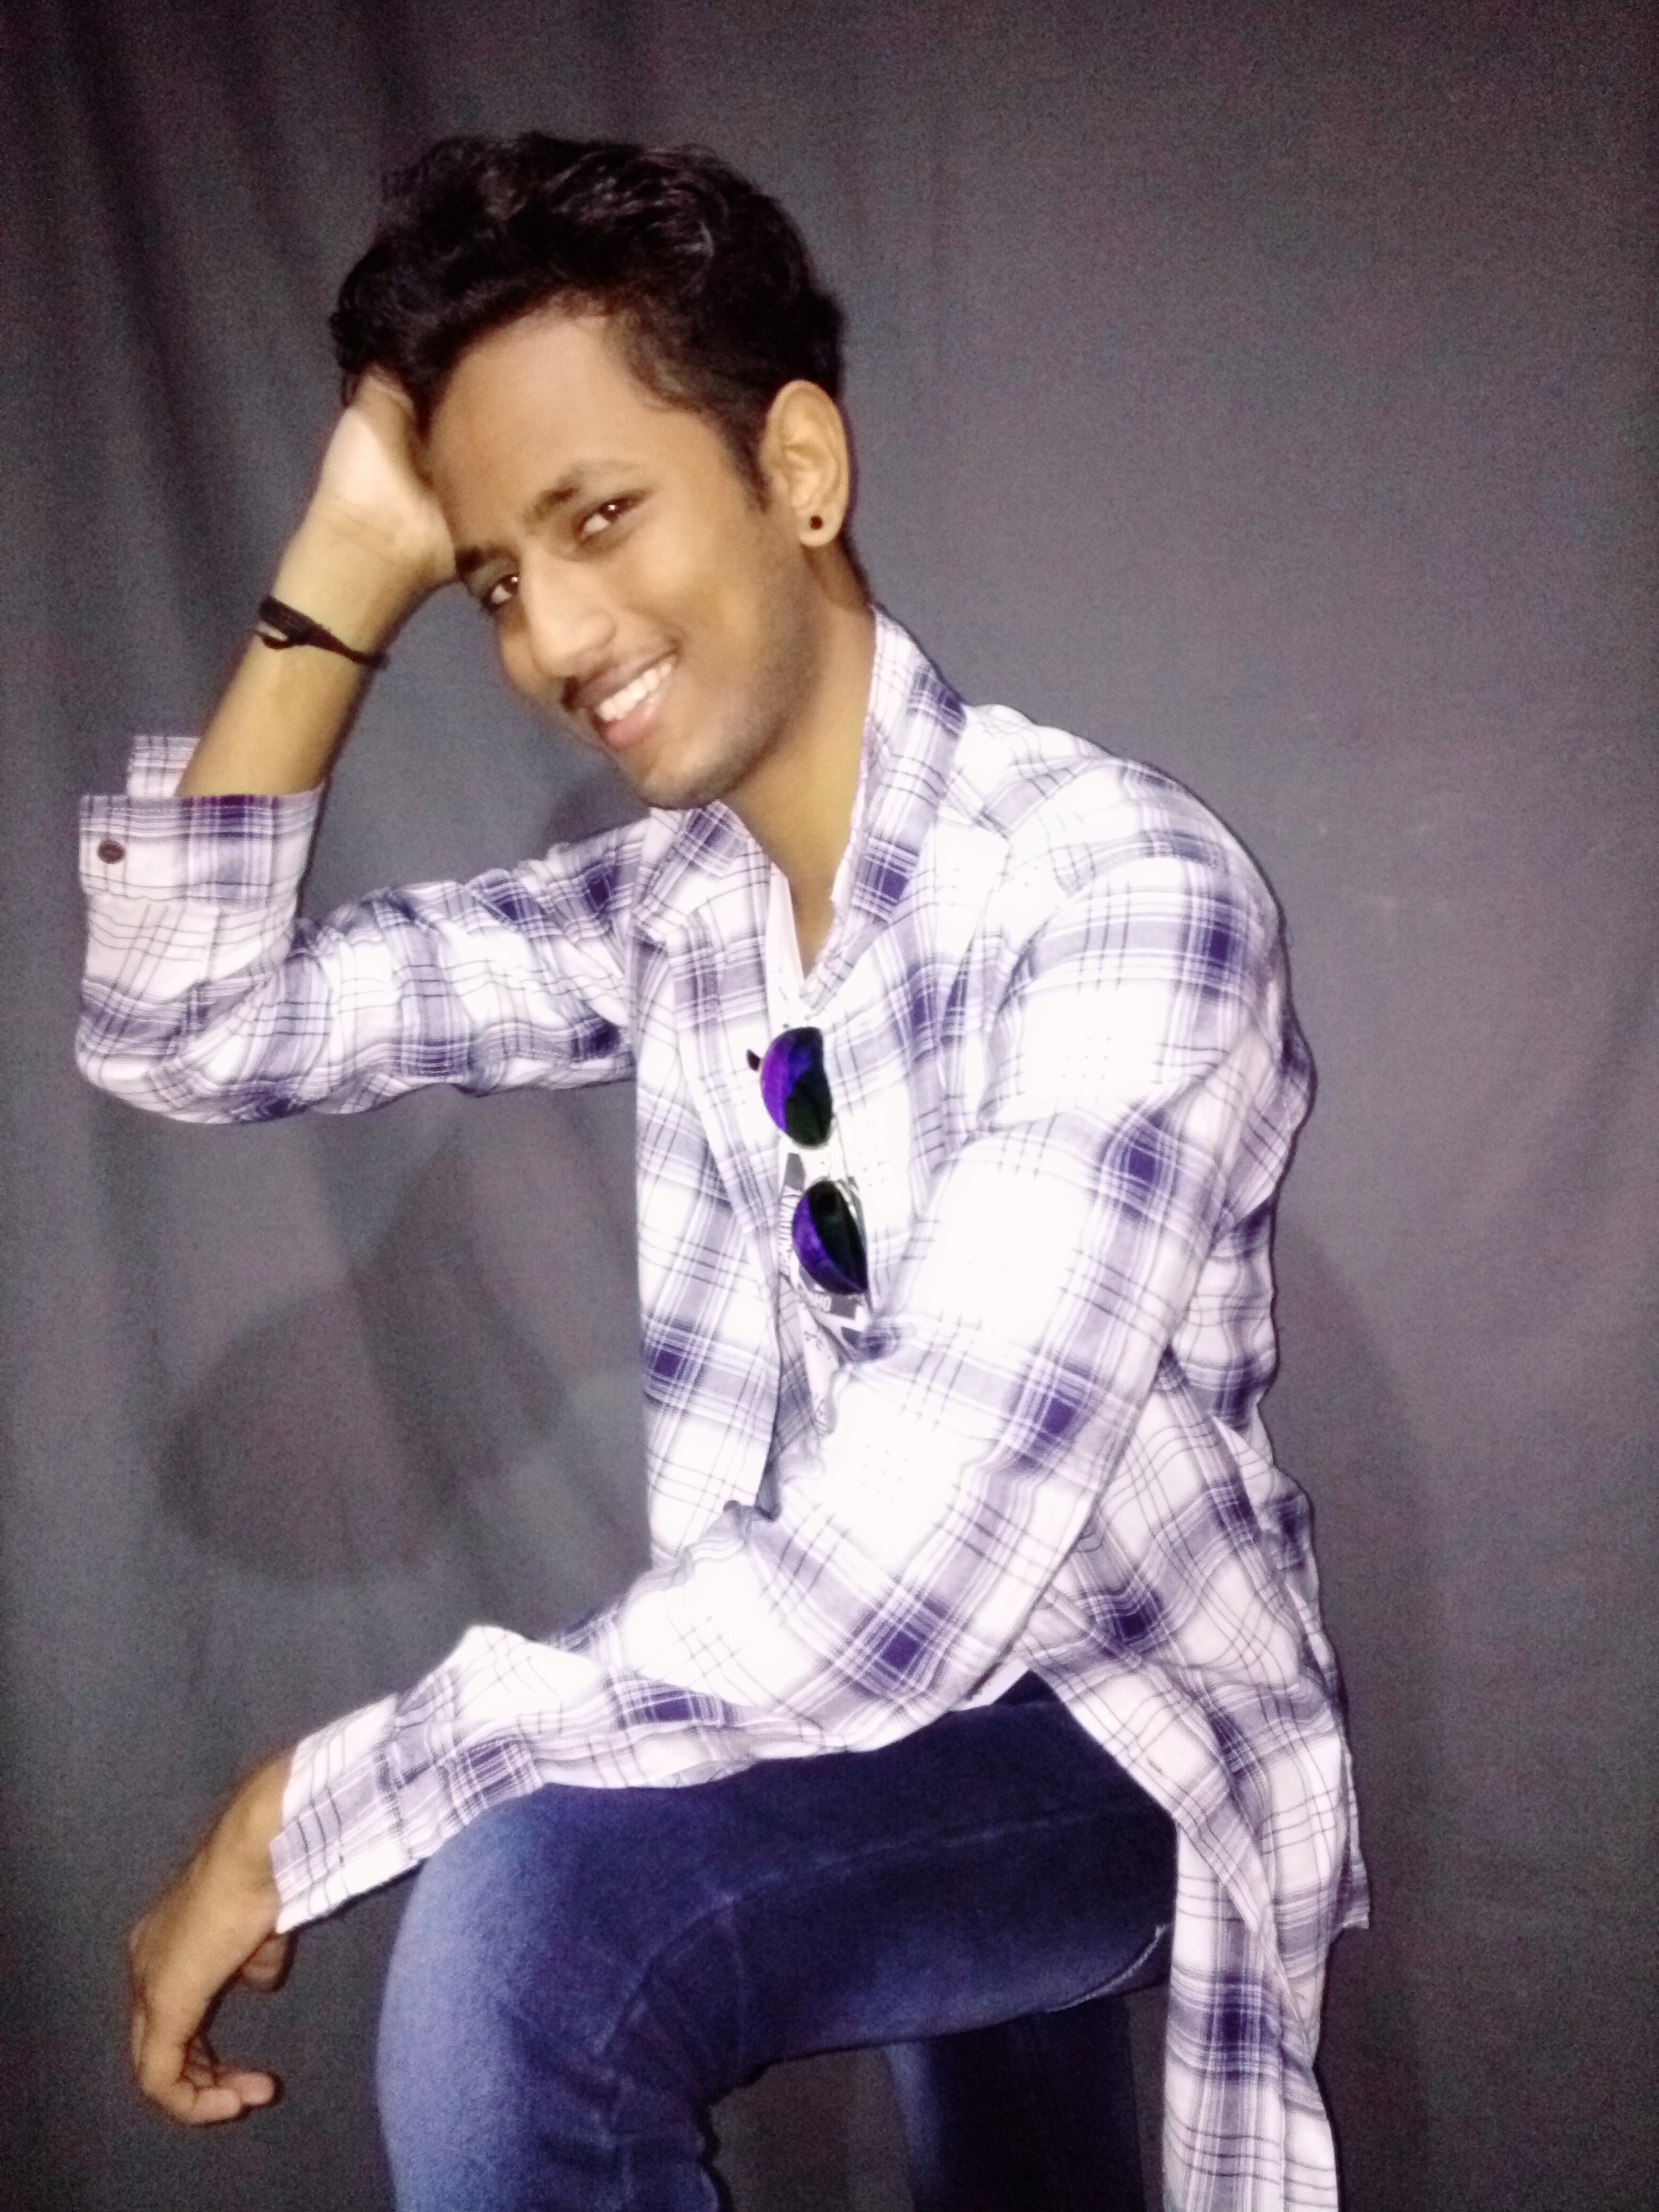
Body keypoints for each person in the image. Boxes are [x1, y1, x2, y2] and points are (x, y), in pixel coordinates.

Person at [78, 136, 1364, 2211]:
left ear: (800, 469)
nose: (557, 635)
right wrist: (347, 561)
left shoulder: (1118, 893)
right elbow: (183, 1023)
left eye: (599, 515)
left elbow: (892, 1590)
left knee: (533, 1935)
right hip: (838, 1695)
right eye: (499, 580)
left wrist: (297, 1809)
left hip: (1115, 1722)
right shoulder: (671, 913)